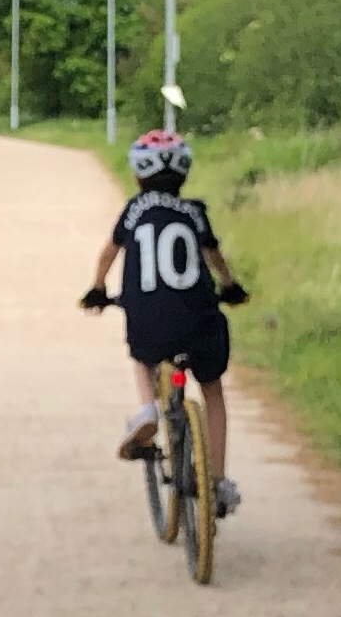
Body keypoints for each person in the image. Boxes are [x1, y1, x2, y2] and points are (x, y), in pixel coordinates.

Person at [80, 128, 249, 517]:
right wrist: (230, 286)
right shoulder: (194, 212)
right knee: (212, 391)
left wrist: (98, 288)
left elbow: (108, 252)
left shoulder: (134, 210)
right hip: (200, 317)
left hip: (149, 318)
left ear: (138, 174)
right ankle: (218, 481)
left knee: (143, 357)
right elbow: (214, 256)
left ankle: (147, 411)